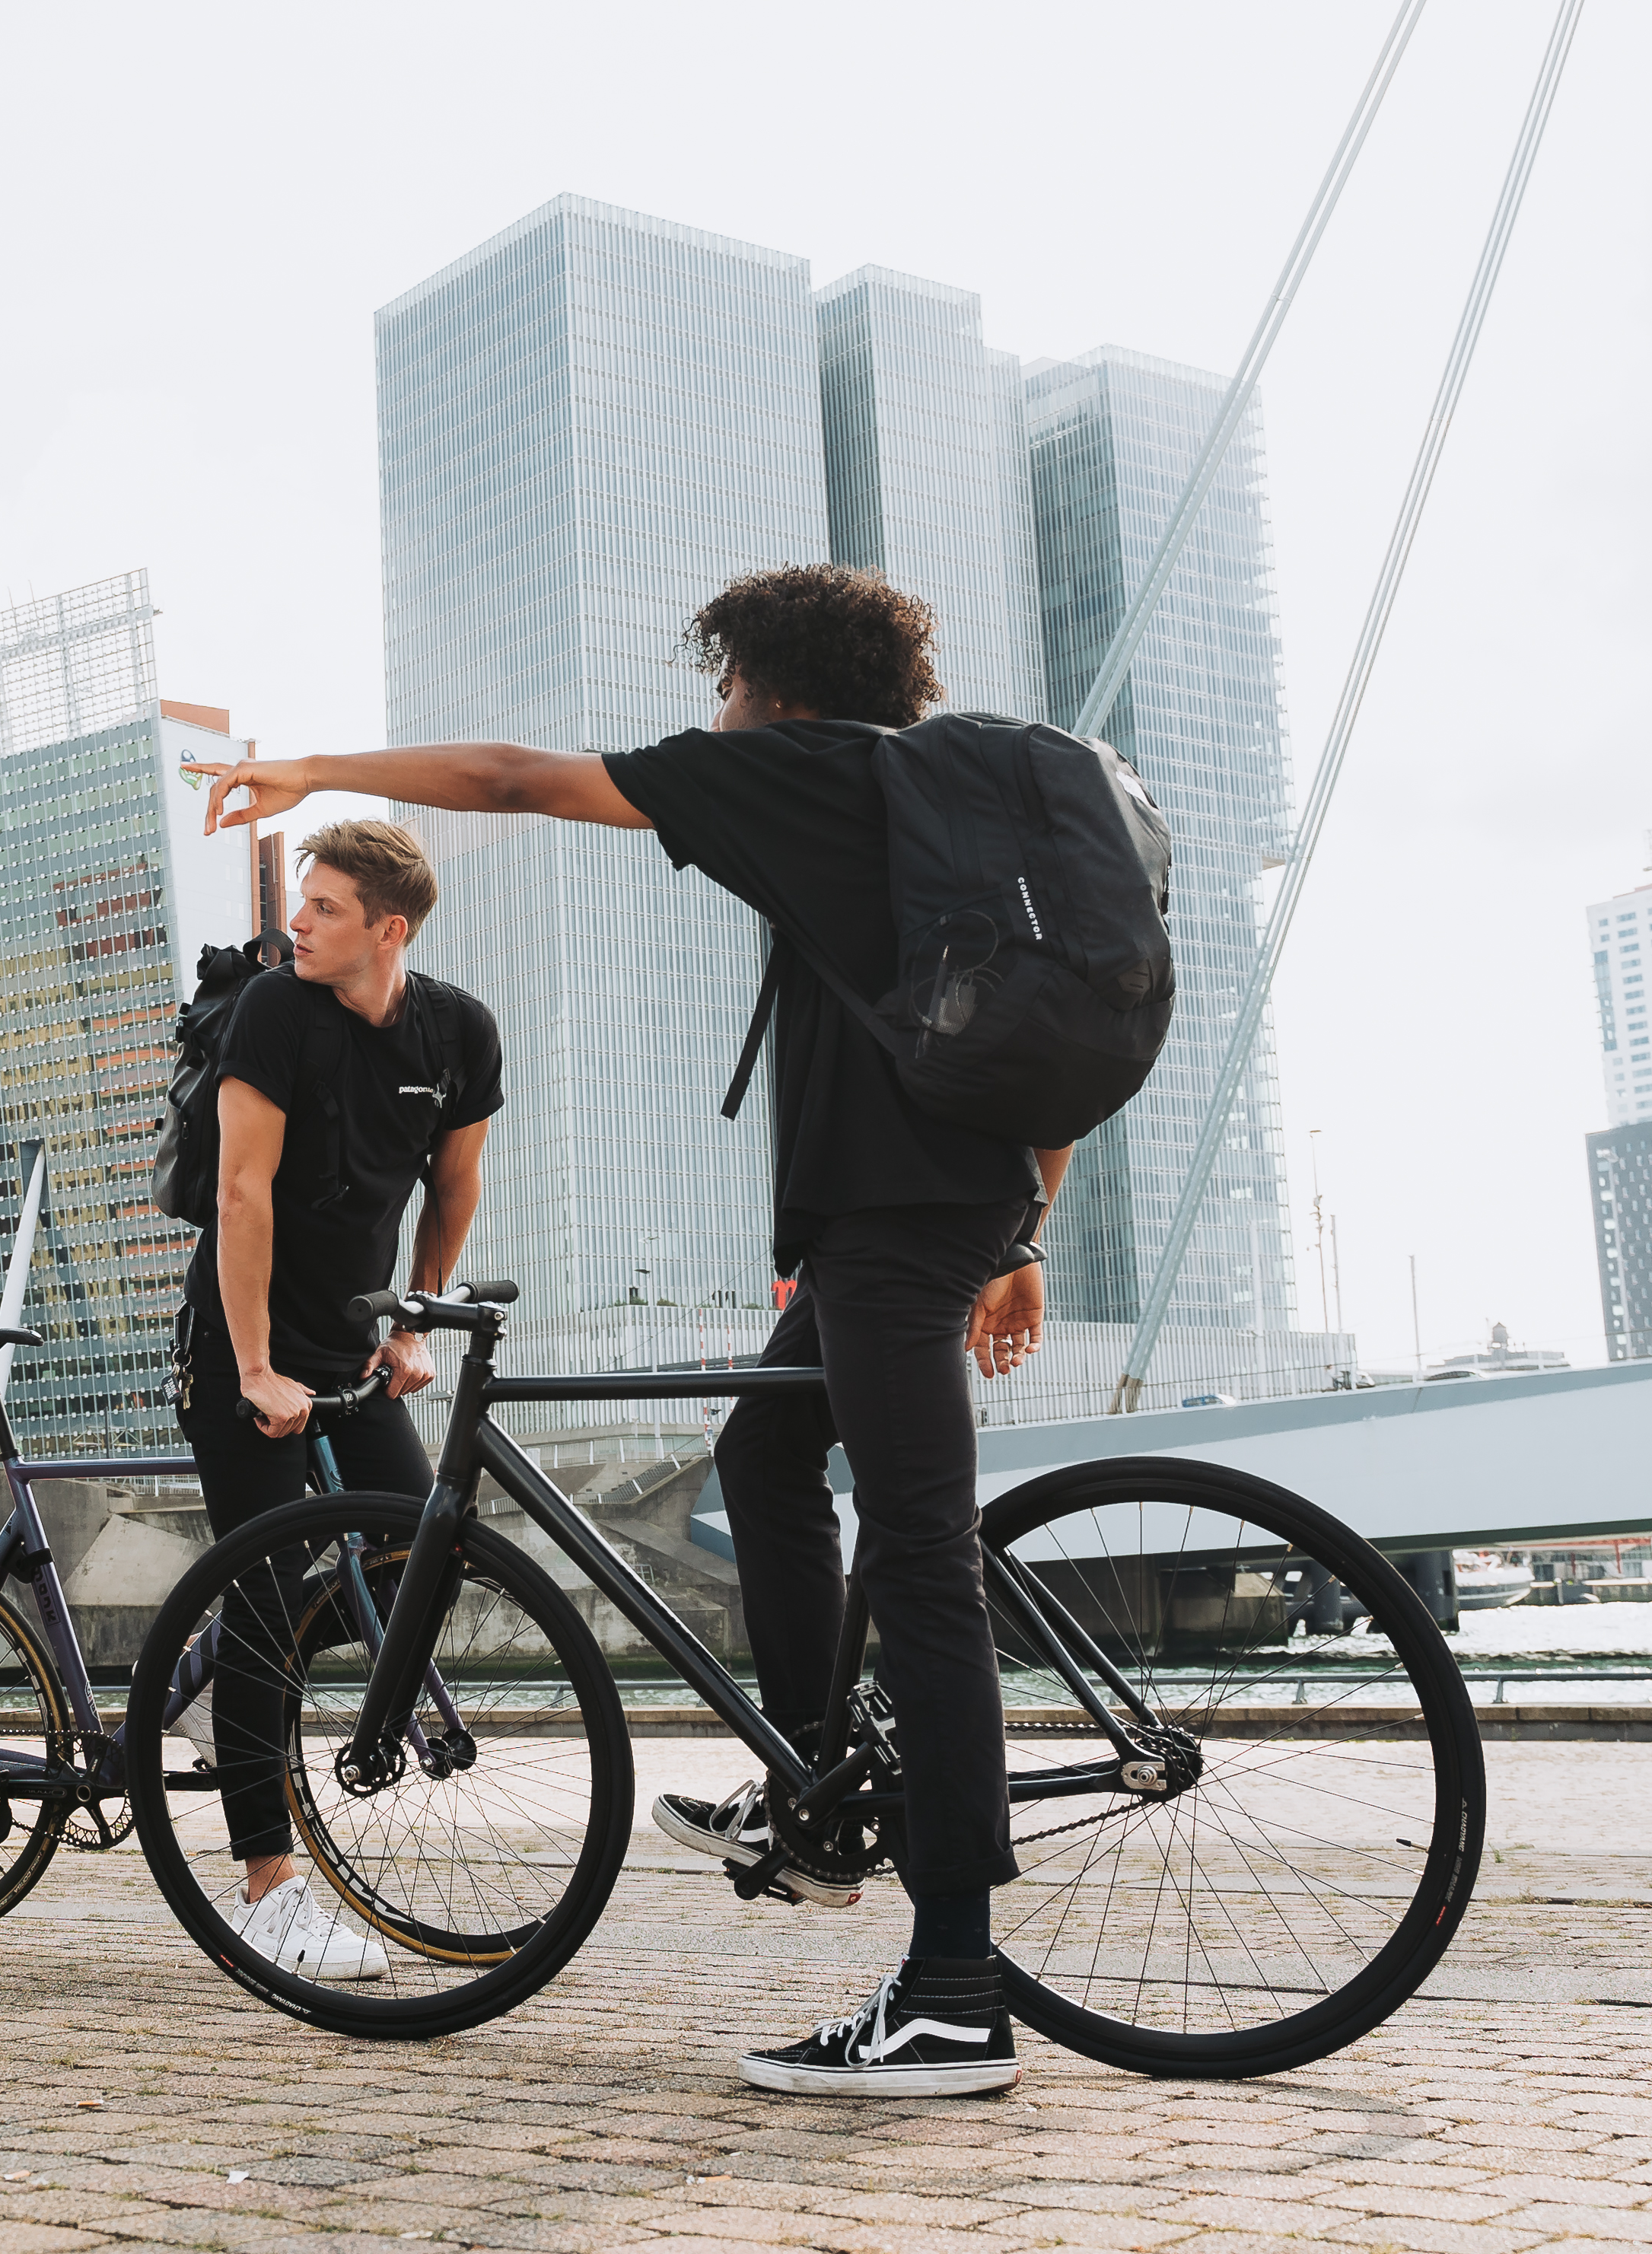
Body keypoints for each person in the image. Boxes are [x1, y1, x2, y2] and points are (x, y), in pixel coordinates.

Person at [187, 564, 1069, 2097]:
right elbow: (1059, 1018)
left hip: (888, 1225)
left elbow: (511, 778)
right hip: (940, 1211)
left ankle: (950, 1991)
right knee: (766, 1458)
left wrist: (315, 766)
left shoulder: (801, 768)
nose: (712, 713)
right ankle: (813, 1779)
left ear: (774, 690)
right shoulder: (952, 801)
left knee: (923, 1558)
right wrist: (1025, 1227)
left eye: (724, 687)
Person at [175, 816, 505, 1983]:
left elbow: (455, 1185)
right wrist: (255, 1365)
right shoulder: (277, 1010)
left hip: (355, 1354)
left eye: (323, 907)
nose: (297, 921)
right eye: (300, 899)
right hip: (245, 1348)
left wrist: (414, 1320)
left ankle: (218, 1676)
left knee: (430, 1550)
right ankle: (268, 1888)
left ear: (388, 928)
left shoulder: (457, 1032)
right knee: (266, 1595)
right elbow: (242, 1189)